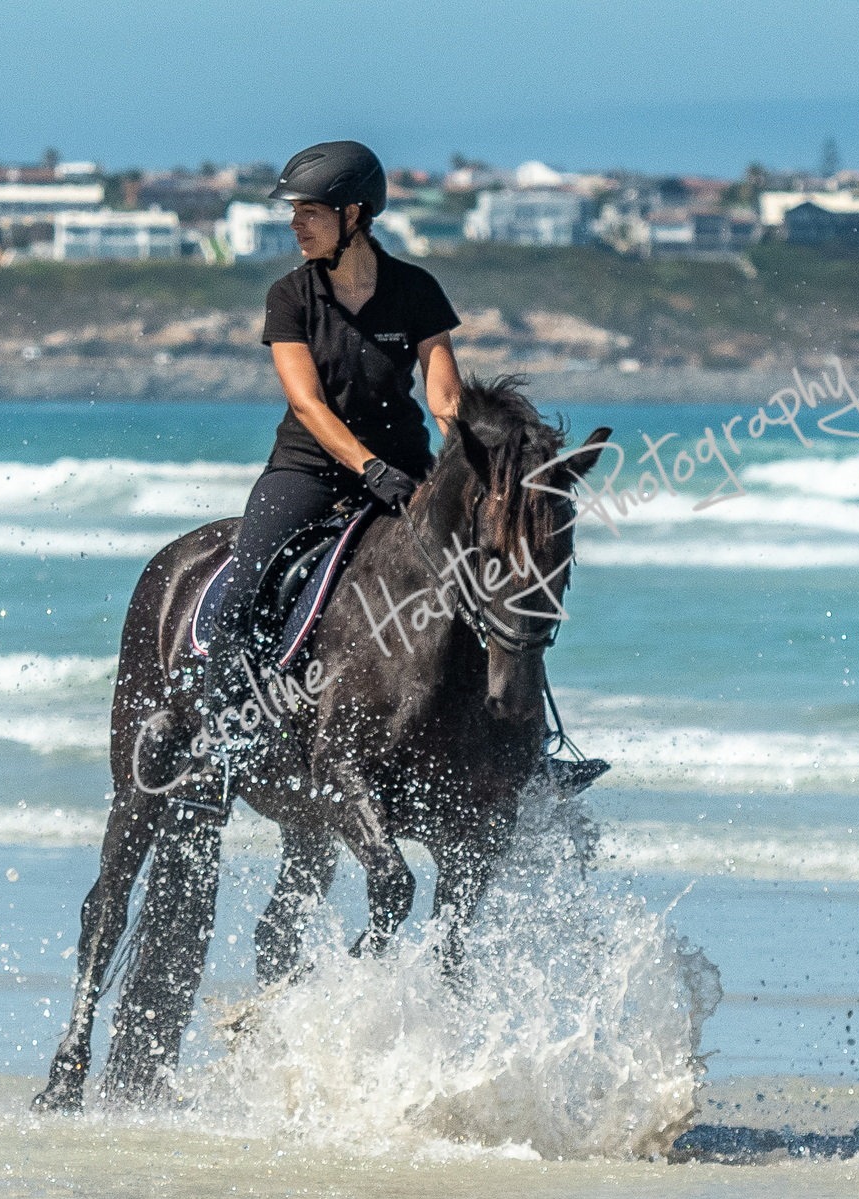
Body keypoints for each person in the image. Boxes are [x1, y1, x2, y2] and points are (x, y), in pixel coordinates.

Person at [177, 139, 601, 814]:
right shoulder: (290, 297)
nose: (296, 224)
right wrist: (367, 466)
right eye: (294, 212)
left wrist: (481, 463)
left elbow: (444, 399)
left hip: (406, 472)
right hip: (309, 470)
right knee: (244, 589)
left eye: (309, 212)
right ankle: (217, 754)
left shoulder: (416, 291)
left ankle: (529, 746)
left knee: (500, 576)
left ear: (353, 215)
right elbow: (308, 404)